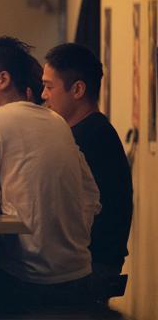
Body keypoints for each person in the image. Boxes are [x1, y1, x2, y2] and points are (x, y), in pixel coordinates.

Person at [0, 37, 100, 297]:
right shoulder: (57, 120)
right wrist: (67, 239)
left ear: (3, 80)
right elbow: (91, 195)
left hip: (29, 277)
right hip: (79, 271)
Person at [42, 43, 132, 278]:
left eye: (49, 87)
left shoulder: (90, 137)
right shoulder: (88, 130)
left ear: (78, 90)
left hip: (94, 265)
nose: (44, 95)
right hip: (91, 258)